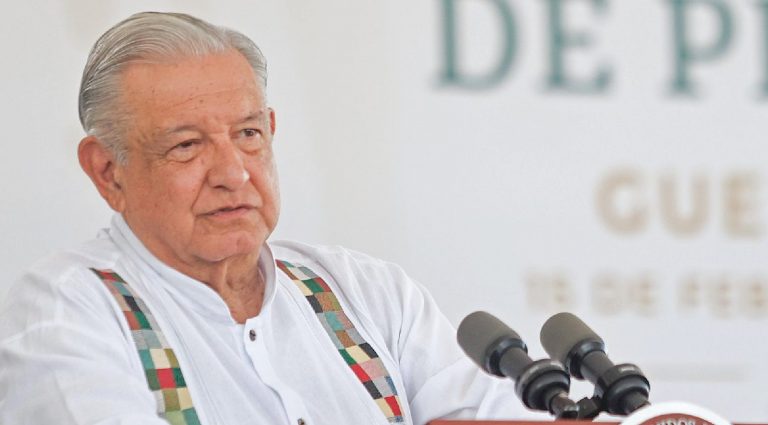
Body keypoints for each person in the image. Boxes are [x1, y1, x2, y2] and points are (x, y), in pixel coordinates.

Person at [0, 12, 522, 425]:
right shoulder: (68, 311)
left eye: (248, 134)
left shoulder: (370, 293)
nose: (233, 173)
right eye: (187, 145)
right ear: (108, 172)